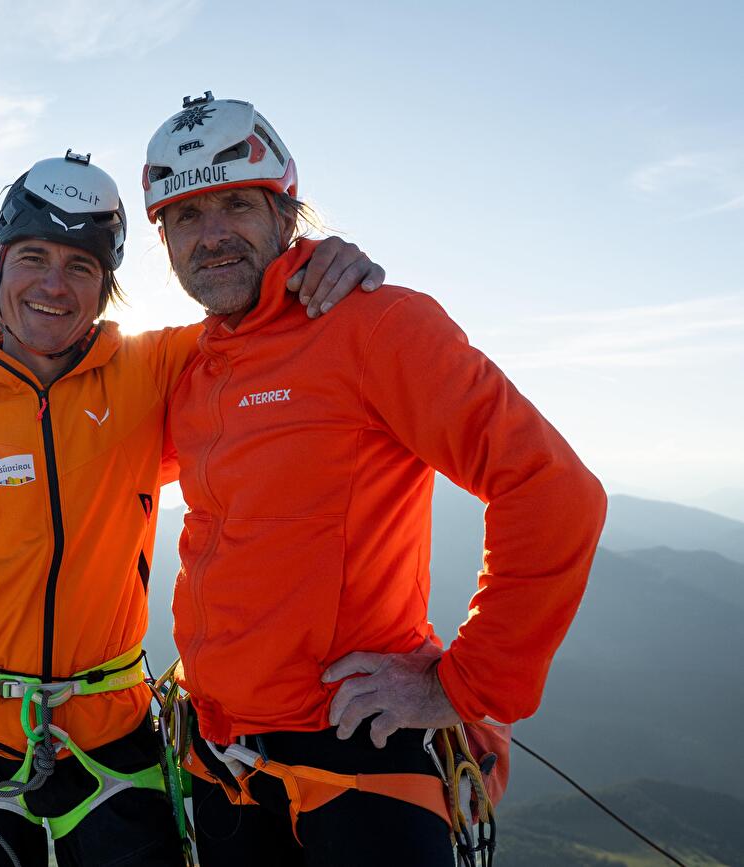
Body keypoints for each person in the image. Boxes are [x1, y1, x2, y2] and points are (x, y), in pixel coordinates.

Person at [0, 150, 385, 867]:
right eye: (33, 257)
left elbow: (261, 326)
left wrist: (317, 260)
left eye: (80, 266)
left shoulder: (155, 369)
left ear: (106, 288)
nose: (53, 285)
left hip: (113, 734)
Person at [143, 93, 608, 865]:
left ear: (287, 214)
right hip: (225, 767)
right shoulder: (192, 366)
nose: (212, 234)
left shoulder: (375, 325)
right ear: (164, 241)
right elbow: (83, 417)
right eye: (186, 216)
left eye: (235, 204)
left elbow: (555, 491)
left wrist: (462, 687)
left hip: (363, 765)